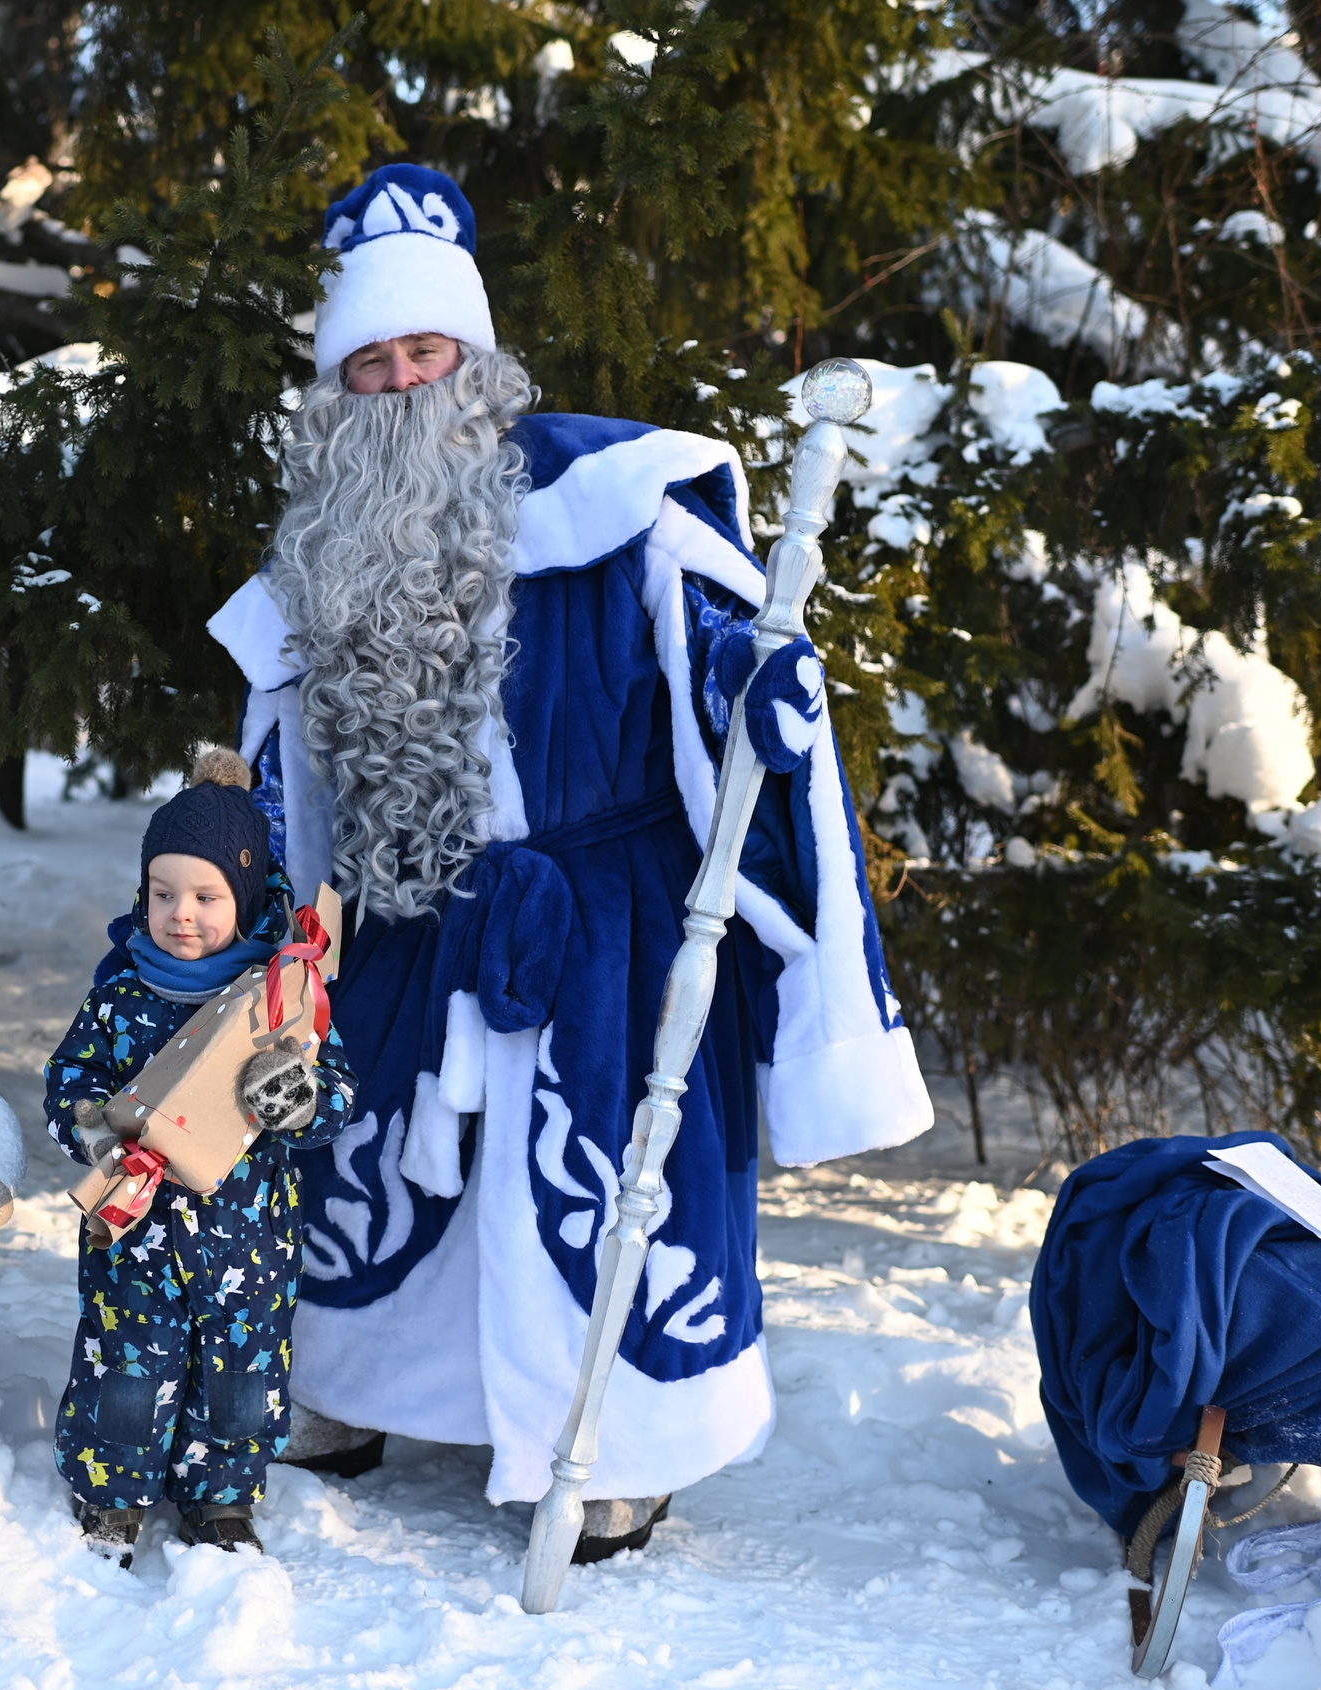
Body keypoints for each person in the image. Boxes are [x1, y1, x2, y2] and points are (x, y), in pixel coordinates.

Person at [207, 164, 933, 1559]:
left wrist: (752, 688)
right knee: (392, 1158)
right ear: (338, 387)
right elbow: (287, 752)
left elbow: (708, 648)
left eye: (427, 351)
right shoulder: (327, 547)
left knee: (598, 1175)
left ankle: (620, 1439)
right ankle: (357, 1390)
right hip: (413, 911)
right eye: (372, 360)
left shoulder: (623, 493)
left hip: (606, 918)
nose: (404, 381)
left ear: (477, 362)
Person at [43, 748, 358, 1562]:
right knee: (127, 1367)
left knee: (240, 1378)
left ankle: (221, 1499)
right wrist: (94, 1127)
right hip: (136, 1241)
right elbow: (69, 1079)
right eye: (163, 893)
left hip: (246, 1245)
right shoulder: (122, 993)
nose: (182, 913)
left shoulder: (280, 997)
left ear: (246, 896)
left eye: (207, 896)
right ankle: (112, 1492)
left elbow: (341, 1095)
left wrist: (301, 1100)